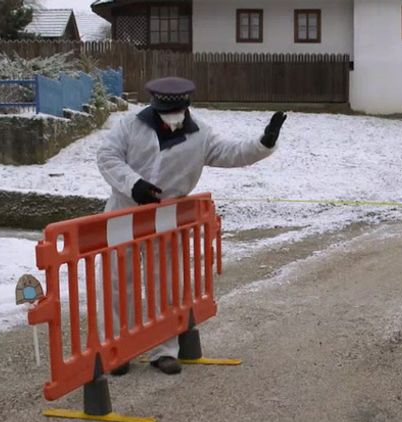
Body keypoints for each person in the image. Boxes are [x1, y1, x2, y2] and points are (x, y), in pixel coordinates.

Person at [97, 76, 286, 376]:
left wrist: (264, 143)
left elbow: (232, 153)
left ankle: (165, 349)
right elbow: (107, 156)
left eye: (177, 115)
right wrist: (133, 185)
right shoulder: (130, 125)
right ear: (155, 107)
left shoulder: (200, 135)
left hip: (167, 219)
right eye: (165, 115)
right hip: (125, 213)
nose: (172, 121)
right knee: (120, 283)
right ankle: (119, 349)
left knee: (166, 284)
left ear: (186, 108)